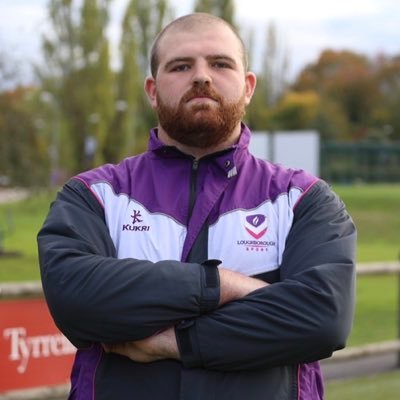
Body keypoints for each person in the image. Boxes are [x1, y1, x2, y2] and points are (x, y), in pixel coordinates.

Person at [37, 12, 356, 400]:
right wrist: (223, 285)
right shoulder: (94, 196)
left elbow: (322, 319)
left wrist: (175, 342)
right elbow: (77, 300)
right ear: (152, 90)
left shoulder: (303, 198)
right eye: (181, 66)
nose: (201, 76)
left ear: (248, 86)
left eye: (220, 64)